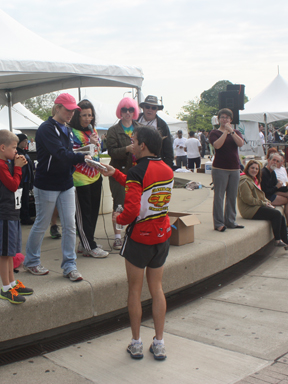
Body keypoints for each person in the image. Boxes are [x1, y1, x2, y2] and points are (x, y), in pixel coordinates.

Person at [97, 126, 173, 361]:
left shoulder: (137, 171)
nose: (132, 144)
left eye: (134, 140)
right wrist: (115, 173)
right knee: (157, 289)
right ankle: (159, 343)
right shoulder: (167, 169)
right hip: (162, 236)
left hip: (140, 238)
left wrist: (117, 220)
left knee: (134, 291)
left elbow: (131, 210)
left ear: (143, 145)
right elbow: (141, 186)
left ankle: (136, 343)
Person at [24, 93, 91, 282]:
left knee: (70, 225)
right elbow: (60, 153)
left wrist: (83, 153)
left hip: (66, 182)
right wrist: (82, 157)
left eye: (73, 110)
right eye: (68, 109)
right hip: (47, 183)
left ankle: (70, 265)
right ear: (58, 107)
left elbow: (66, 154)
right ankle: (31, 261)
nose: (71, 113)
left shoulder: (67, 129)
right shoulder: (46, 128)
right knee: (42, 223)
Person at [0, 129, 33, 304]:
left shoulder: (6, 163)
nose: (17, 151)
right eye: (14, 147)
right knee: (4, 254)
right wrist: (17, 168)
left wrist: (17, 166)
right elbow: (13, 185)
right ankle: (5, 288)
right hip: (5, 215)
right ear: (2, 147)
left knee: (10, 253)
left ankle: (12, 283)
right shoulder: (0, 165)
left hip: (12, 214)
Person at [69, 99, 109, 258]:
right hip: (80, 179)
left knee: (93, 212)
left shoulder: (92, 131)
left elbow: (96, 154)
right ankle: (90, 246)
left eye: (90, 115)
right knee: (83, 214)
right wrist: (89, 144)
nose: (87, 119)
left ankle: (86, 242)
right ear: (77, 116)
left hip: (95, 177)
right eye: (84, 115)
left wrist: (95, 145)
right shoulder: (71, 131)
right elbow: (71, 153)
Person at [106, 97, 143, 250]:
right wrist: (127, 149)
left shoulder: (140, 128)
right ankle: (117, 237)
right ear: (120, 111)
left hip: (137, 172)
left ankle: (135, 232)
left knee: (137, 204)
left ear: (135, 111)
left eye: (131, 109)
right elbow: (112, 152)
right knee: (119, 204)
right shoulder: (113, 130)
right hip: (118, 172)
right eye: (124, 110)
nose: (128, 113)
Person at [237, 160, 288, 250]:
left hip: (256, 206)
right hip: (249, 210)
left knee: (280, 216)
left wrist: (268, 202)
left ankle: (287, 243)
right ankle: (277, 240)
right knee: (276, 214)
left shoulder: (253, 180)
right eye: (252, 168)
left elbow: (260, 196)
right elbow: (248, 200)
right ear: (247, 169)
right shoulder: (244, 181)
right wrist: (264, 203)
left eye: (256, 169)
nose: (254, 170)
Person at [209, 108, 245, 232]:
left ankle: (230, 220)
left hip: (234, 168)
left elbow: (240, 144)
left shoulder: (236, 132)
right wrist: (225, 132)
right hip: (220, 168)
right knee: (219, 196)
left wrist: (232, 132)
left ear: (231, 119)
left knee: (232, 195)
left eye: (227, 118)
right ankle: (219, 222)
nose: (225, 120)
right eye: (223, 117)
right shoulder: (214, 132)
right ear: (218, 119)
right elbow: (217, 146)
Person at [137, 95, 174, 167]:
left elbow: (168, 148)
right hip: (135, 161)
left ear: (157, 110)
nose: (150, 110)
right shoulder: (134, 120)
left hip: (154, 163)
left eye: (153, 108)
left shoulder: (162, 125)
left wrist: (167, 166)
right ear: (143, 108)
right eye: (147, 107)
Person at [16, 133, 35, 225]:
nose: (26, 143)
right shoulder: (17, 153)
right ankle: (24, 217)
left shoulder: (24, 153)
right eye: (24, 141)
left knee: (25, 199)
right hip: (20, 180)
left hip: (26, 180)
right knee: (21, 200)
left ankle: (26, 217)